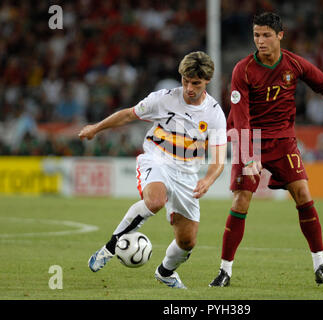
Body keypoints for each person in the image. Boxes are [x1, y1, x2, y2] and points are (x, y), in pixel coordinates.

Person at [209, 12, 323, 287]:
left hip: (282, 140)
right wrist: (247, 156)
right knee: (241, 200)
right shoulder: (242, 70)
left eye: (266, 35)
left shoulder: (294, 64)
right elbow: (240, 116)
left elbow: (322, 83)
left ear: (280, 35)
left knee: (303, 194)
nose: (260, 40)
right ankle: (224, 271)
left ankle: (320, 266)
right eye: (256, 35)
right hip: (250, 138)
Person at [79, 51, 227, 289]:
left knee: (187, 241)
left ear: (207, 81)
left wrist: (208, 180)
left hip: (187, 174)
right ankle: (110, 246)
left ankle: (165, 273)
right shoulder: (163, 99)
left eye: (196, 83)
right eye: (185, 81)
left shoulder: (215, 114)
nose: (189, 87)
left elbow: (219, 160)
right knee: (156, 200)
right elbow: (128, 115)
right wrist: (96, 128)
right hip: (157, 159)